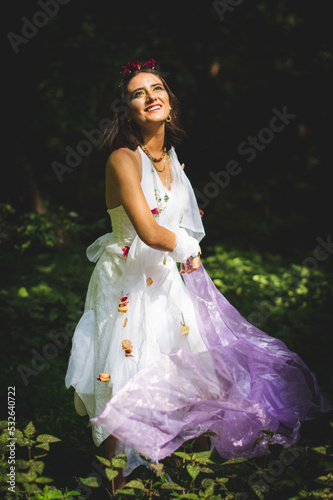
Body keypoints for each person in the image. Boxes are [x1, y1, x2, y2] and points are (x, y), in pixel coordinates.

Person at [65, 59, 330, 489]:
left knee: (182, 382)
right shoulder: (122, 159)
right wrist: (184, 244)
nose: (150, 96)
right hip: (127, 283)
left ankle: (174, 484)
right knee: (128, 390)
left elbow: (173, 216)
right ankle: (113, 486)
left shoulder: (170, 158)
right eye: (138, 93)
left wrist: (183, 228)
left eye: (157, 88)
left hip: (165, 283)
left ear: (169, 101)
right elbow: (150, 231)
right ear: (127, 111)